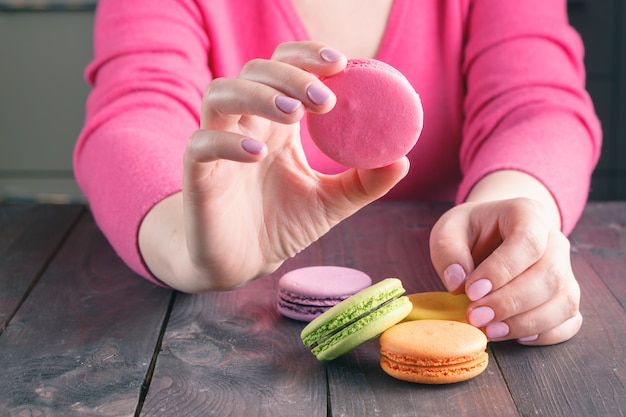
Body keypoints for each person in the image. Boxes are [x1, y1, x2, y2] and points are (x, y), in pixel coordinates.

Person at [74, 0, 602, 346]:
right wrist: (188, 241)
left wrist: (513, 208)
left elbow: (537, 102)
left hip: (450, 266)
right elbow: (135, 111)